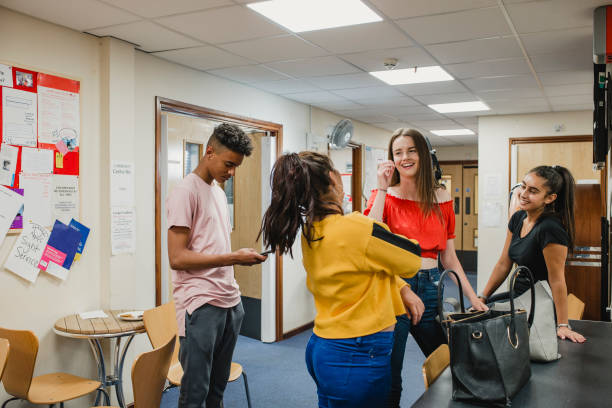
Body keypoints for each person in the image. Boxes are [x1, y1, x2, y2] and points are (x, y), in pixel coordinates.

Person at [259, 151, 424, 408]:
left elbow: (362, 268)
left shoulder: (311, 232)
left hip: (326, 349)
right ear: (333, 178)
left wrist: (400, 288)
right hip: (356, 354)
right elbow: (412, 259)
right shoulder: (356, 227)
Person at [364, 128, 487, 407]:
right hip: (394, 289)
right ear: (391, 159)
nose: (404, 157)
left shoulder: (442, 198)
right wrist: (382, 188)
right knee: (391, 373)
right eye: (397, 152)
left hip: (432, 287)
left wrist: (472, 296)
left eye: (411, 150)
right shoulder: (384, 195)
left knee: (450, 362)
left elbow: (450, 258)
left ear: (423, 154)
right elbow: (366, 237)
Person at [166, 123, 267, 408]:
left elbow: (213, 247)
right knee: (195, 394)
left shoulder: (219, 194)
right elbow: (177, 258)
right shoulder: (186, 191)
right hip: (201, 304)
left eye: (236, 166)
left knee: (217, 392)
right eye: (228, 164)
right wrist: (234, 257)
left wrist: (234, 259)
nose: (231, 172)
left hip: (230, 301)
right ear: (209, 151)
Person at [480, 165, 586, 343]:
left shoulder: (550, 229)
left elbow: (557, 280)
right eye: (523, 186)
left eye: (533, 191)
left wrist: (563, 325)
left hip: (540, 303)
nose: (523, 193)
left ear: (550, 198)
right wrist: (482, 297)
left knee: (484, 330)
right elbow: (503, 264)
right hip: (518, 296)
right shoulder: (518, 219)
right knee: (475, 312)